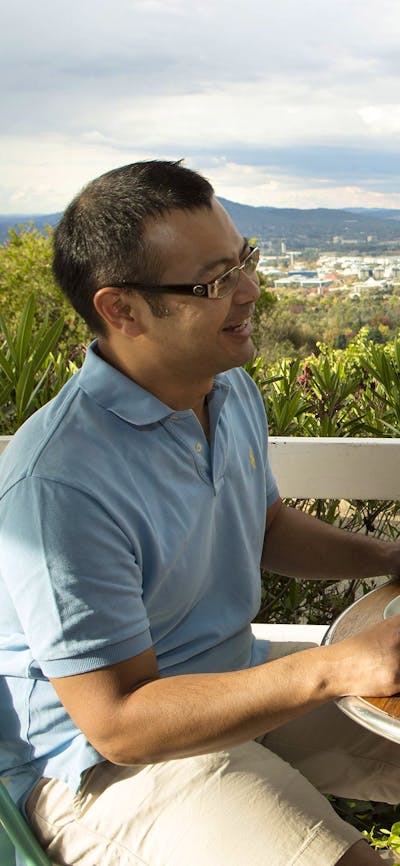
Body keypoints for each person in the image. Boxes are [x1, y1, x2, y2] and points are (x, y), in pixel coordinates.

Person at [1, 160, 400, 866]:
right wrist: (333, 668)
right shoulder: (59, 482)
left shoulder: (223, 386)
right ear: (120, 310)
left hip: (229, 672)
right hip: (99, 764)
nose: (250, 291)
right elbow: (119, 721)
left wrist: (389, 558)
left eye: (243, 259)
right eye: (213, 282)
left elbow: (266, 527)